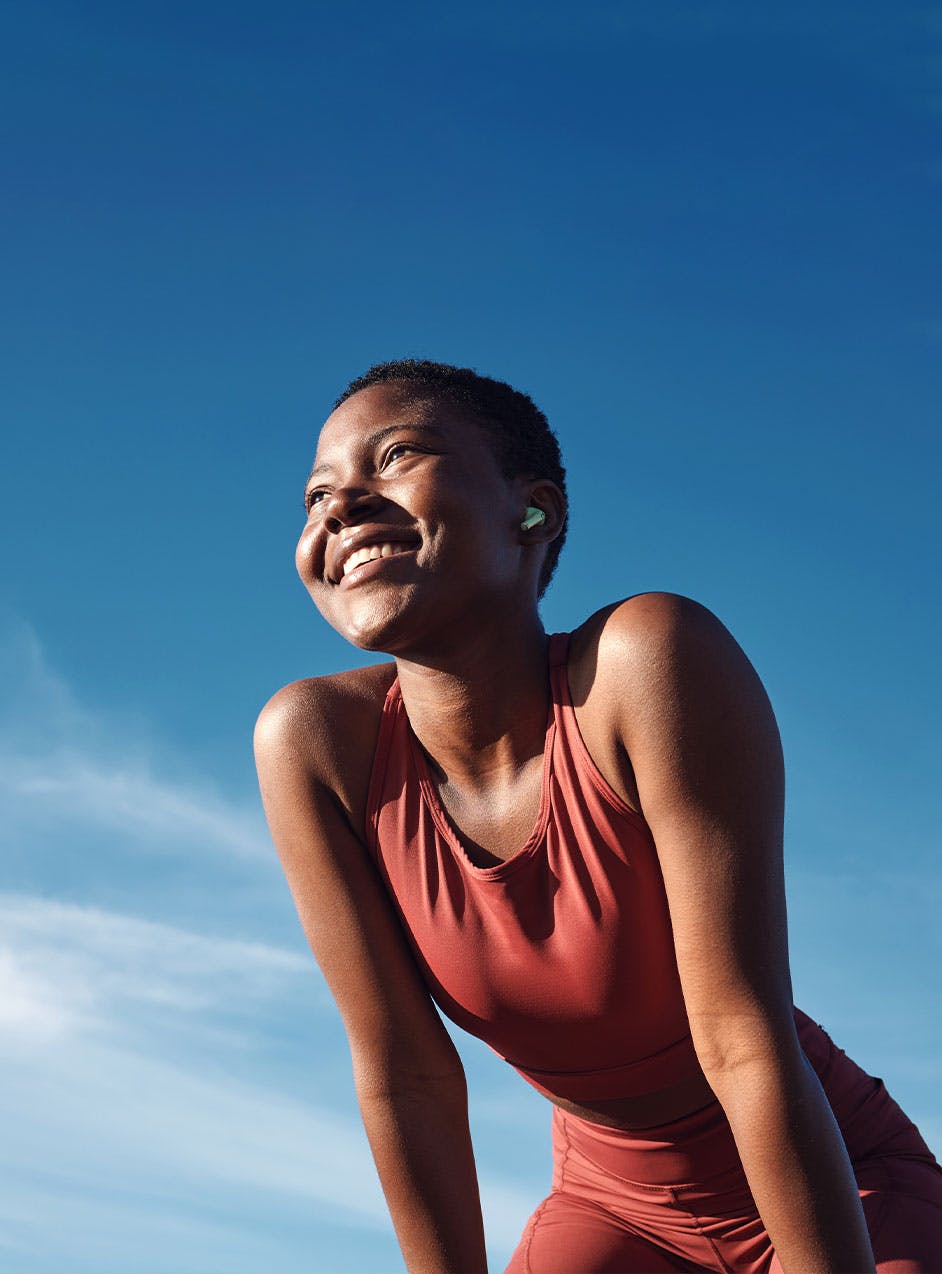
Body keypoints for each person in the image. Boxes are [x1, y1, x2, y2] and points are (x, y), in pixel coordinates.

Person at [254, 359, 942, 1273]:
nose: (340, 508)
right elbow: (405, 1077)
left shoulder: (646, 662)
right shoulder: (314, 743)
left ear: (534, 511)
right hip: (613, 1210)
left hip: (837, 1189)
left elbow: (742, 1038)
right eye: (316, 495)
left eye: (396, 457)